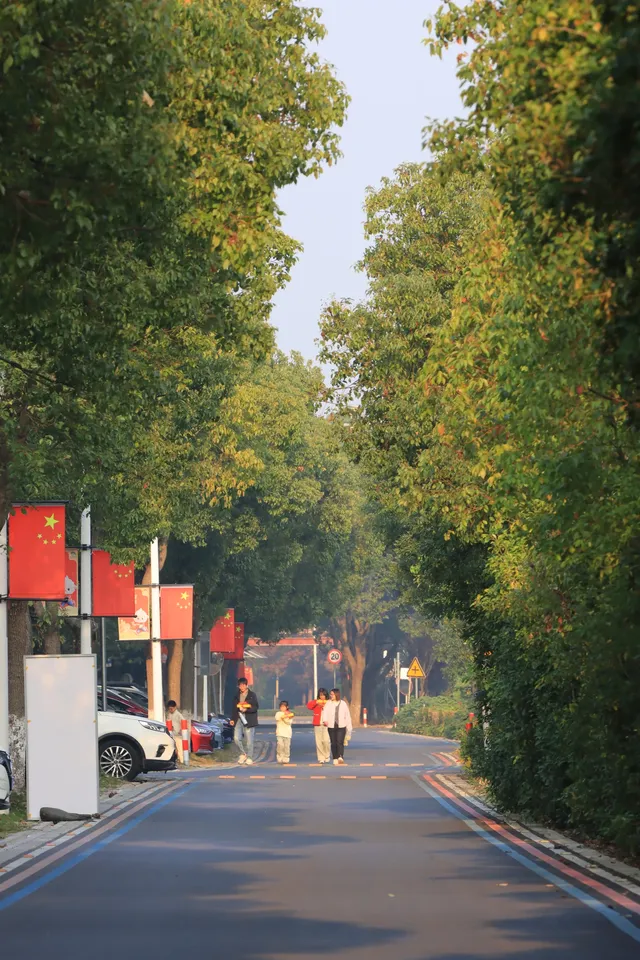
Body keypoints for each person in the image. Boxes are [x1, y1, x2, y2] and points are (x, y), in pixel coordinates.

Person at [230, 677, 259, 764]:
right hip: (238, 718)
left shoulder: (252, 695)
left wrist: (247, 709)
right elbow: (234, 708)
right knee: (236, 738)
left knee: (249, 740)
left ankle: (250, 757)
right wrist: (232, 719)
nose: (242, 687)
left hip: (249, 719)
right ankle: (243, 754)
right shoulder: (236, 695)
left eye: (243, 685)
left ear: (246, 685)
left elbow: (256, 707)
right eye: (240, 685)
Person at [322, 688, 353, 765]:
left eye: (332, 694)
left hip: (341, 726)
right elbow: (324, 713)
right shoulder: (328, 703)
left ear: (336, 694)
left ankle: (340, 757)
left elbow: (347, 716)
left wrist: (349, 728)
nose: (330, 696)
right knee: (333, 743)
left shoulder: (343, 704)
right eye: (330, 694)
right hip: (331, 726)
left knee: (340, 742)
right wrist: (325, 720)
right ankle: (335, 757)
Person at [307, 688, 331, 763]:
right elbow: (309, 706)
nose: (322, 697)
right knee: (319, 741)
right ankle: (321, 757)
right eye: (320, 695)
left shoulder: (329, 702)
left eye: (323, 695)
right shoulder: (316, 702)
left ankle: (327, 755)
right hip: (317, 724)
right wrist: (316, 702)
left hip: (327, 724)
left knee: (326, 741)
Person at [166, 700, 185, 764]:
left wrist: (181, 730)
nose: (170, 710)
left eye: (171, 709)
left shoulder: (178, 715)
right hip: (171, 734)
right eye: (169, 709)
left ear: (175, 707)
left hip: (177, 735)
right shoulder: (169, 714)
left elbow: (183, 722)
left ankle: (182, 761)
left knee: (180, 748)